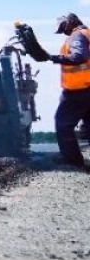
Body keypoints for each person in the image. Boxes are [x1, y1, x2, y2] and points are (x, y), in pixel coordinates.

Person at [49, 12, 90, 171]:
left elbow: (79, 57)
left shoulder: (76, 35)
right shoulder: (87, 33)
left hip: (79, 89)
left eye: (63, 28)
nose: (63, 33)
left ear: (69, 23)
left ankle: (73, 162)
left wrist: (54, 58)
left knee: (63, 123)